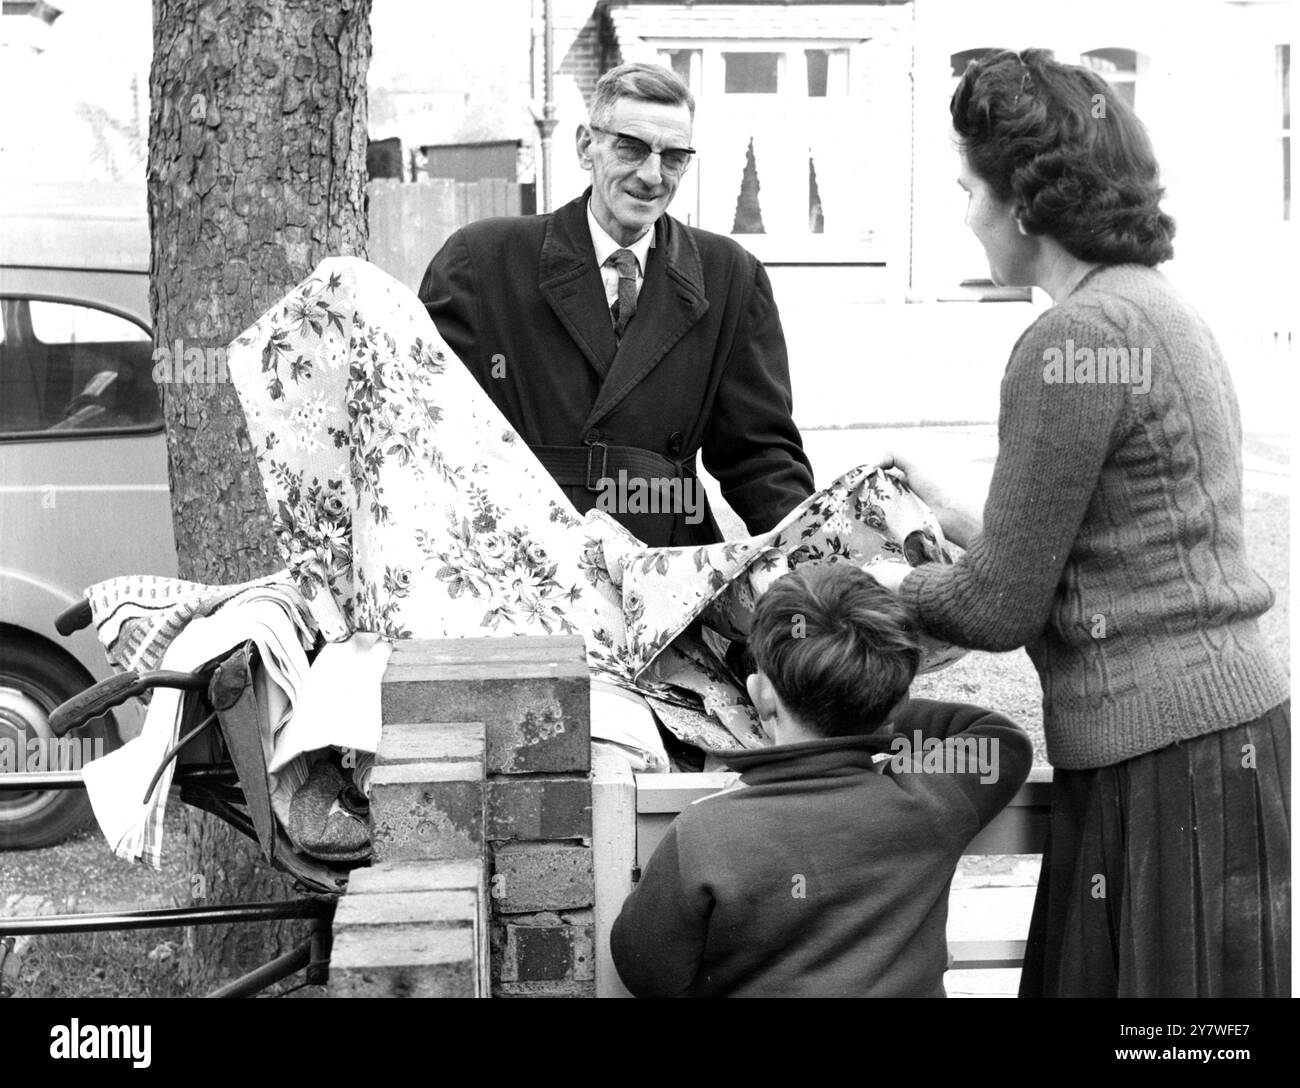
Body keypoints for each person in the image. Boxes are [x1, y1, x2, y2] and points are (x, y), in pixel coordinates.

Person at [866, 48, 1291, 998]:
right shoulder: (1153, 309)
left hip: (1160, 754)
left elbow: (999, 608)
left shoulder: (1071, 338)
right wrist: (958, 519)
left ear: (1024, 204)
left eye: (969, 189)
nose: (965, 215)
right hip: (1219, 732)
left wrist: (869, 584)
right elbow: (1111, 547)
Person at [418, 61, 815, 547]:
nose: (652, 175)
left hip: (663, 563)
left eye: (673, 157)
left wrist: (816, 560)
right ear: (587, 145)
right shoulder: (482, 262)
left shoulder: (730, 275)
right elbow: (429, 429)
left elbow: (760, 455)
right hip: (526, 557)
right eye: (632, 147)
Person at [609, 562, 1031, 997]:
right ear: (898, 700)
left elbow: (646, 972)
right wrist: (875, 702)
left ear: (762, 695)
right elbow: (1002, 741)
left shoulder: (704, 832)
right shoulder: (930, 801)